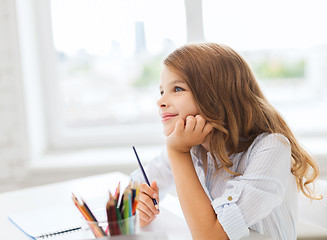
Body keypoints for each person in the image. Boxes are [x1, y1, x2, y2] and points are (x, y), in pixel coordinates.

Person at [130, 43, 321, 240]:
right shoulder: (192, 145)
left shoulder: (271, 148)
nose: (160, 101)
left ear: (215, 96)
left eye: (177, 89)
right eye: (162, 91)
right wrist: (140, 200)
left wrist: (178, 153)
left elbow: (211, 237)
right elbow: (136, 187)